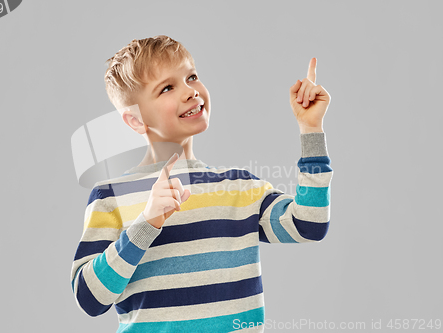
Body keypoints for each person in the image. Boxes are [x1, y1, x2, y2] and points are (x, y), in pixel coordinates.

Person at [70, 35, 333, 332]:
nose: (190, 91)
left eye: (191, 77)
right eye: (167, 87)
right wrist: (146, 224)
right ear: (135, 120)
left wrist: (310, 130)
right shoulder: (112, 197)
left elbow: (309, 225)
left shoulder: (240, 187)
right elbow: (90, 299)